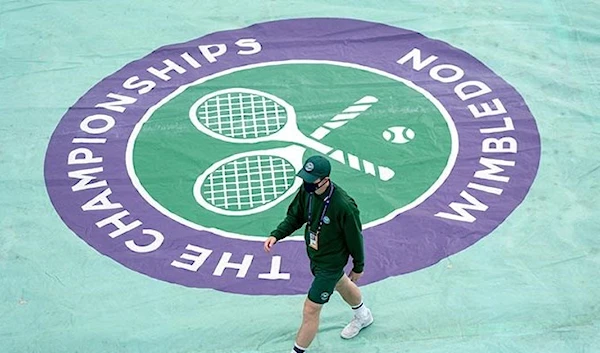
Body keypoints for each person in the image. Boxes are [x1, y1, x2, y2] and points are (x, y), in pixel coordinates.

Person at [263, 155, 374, 353]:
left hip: (330, 263)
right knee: (341, 283)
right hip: (316, 255)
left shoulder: (344, 206)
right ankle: (364, 315)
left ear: (325, 180)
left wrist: (359, 266)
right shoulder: (307, 191)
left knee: (311, 309)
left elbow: (355, 238)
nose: (306, 183)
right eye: (305, 178)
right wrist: (277, 235)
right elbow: (295, 216)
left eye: (311, 180)